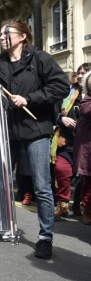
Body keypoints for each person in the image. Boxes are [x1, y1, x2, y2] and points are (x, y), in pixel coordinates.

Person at [0, 19, 69, 260]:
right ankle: (2, 226)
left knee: (42, 187)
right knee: (1, 182)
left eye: (6, 33)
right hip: (9, 130)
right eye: (0, 35)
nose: (1, 38)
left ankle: (45, 237)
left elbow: (61, 86)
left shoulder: (40, 59)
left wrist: (29, 99)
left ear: (23, 36)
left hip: (36, 130)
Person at [52, 63, 90, 218]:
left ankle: (86, 209)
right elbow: (54, 112)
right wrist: (62, 119)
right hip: (67, 142)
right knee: (62, 170)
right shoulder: (67, 93)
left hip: (85, 144)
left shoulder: (87, 97)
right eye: (79, 73)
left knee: (86, 178)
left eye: (84, 73)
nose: (80, 76)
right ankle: (63, 204)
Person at [73, 70, 91, 225]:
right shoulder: (86, 100)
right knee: (87, 182)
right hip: (87, 150)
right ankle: (87, 209)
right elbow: (86, 110)